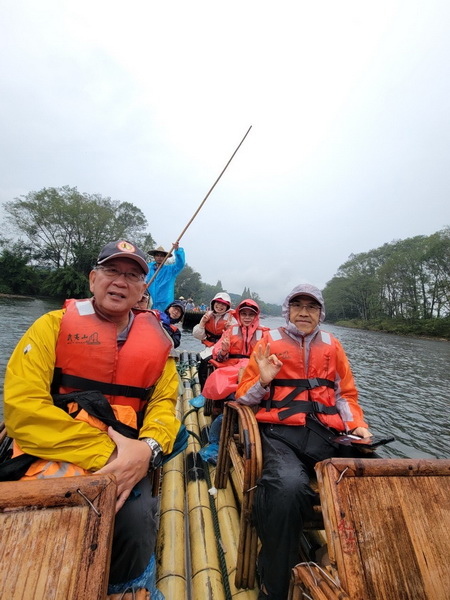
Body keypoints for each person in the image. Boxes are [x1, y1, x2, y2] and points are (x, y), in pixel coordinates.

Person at [3, 239, 181, 597]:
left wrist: (147, 449)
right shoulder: (50, 327)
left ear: (142, 289)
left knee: (136, 517)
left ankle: (123, 586)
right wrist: (111, 456)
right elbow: (22, 408)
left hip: (131, 447)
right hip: (53, 444)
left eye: (132, 275)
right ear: (92, 279)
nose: (120, 281)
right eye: (112, 271)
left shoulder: (159, 345)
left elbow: (164, 405)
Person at [235, 284, 372, 600]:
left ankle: (357, 566)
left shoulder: (332, 346)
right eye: (297, 305)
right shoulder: (268, 343)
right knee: (287, 487)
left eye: (311, 307)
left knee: (374, 475)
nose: (304, 312)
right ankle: (274, 578)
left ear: (320, 313)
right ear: (287, 311)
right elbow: (242, 396)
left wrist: (359, 426)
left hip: (328, 433)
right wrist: (263, 380)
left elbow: (345, 395)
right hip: (281, 434)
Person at [192, 292, 236, 388]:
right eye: (218, 303)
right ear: (213, 303)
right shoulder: (208, 315)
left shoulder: (231, 318)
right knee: (202, 360)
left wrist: (230, 329)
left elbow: (236, 338)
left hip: (224, 348)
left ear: (227, 306)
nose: (220, 306)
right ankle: (204, 391)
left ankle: (209, 390)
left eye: (223, 304)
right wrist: (202, 322)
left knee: (205, 361)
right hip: (210, 346)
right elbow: (198, 335)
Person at [145, 243, 185, 311]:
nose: (159, 257)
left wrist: (177, 250)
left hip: (164, 305)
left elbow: (180, 264)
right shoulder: (147, 268)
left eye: (162, 256)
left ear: (165, 258)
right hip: (148, 303)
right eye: (157, 255)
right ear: (154, 257)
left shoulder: (170, 270)